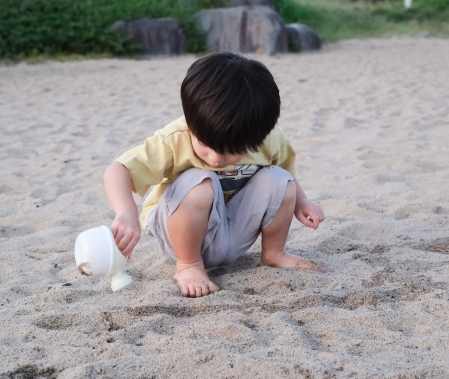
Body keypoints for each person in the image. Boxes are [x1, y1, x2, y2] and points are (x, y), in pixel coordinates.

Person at [103, 52, 325, 298]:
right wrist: (126, 212)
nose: (217, 159)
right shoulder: (175, 138)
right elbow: (118, 169)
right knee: (200, 183)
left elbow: (288, 174)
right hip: (179, 231)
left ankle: (274, 254)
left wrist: (302, 202)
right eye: (205, 146)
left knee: (279, 179)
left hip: (234, 228)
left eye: (235, 152)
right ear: (191, 120)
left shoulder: (268, 140)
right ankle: (188, 265)